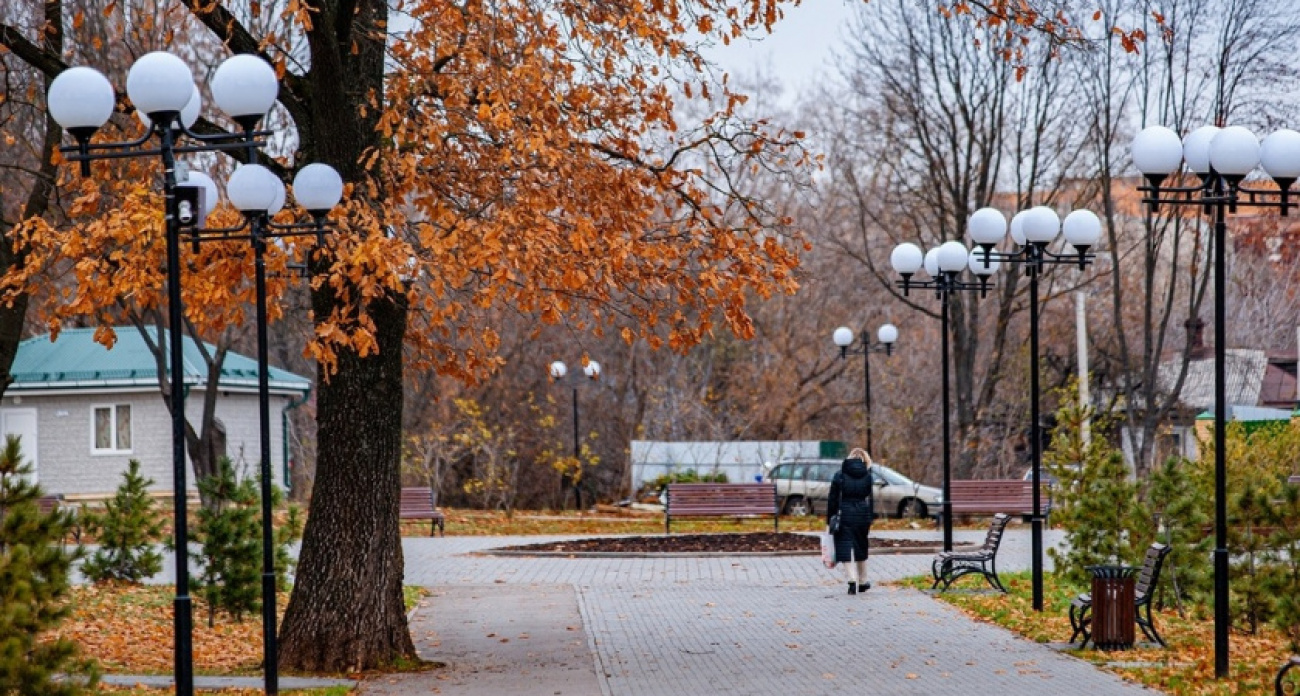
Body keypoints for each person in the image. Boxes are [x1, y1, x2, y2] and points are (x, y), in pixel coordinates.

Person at [827, 447, 875, 595]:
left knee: (844, 547)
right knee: (861, 546)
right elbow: (869, 497)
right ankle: (863, 581)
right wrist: (870, 516)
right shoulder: (867, 476)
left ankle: (852, 580)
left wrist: (831, 517)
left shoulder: (839, 475)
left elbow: (832, 498)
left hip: (844, 513)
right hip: (862, 512)